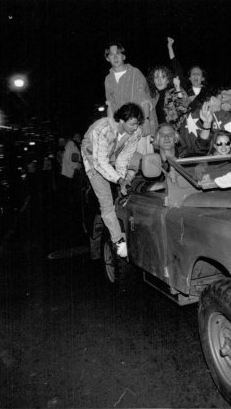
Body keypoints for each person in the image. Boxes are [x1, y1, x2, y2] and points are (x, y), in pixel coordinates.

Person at [81, 103, 143, 258]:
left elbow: (123, 158)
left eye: (137, 124)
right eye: (132, 124)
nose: (136, 128)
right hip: (92, 157)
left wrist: (121, 179)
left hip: (112, 153)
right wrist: (118, 179)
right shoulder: (102, 129)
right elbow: (100, 162)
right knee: (106, 201)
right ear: (121, 120)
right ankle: (118, 241)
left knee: (123, 188)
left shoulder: (136, 133)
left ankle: (125, 227)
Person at [104, 42, 156, 155]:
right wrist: (112, 128)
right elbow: (110, 105)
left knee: (143, 162)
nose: (115, 57)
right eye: (111, 55)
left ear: (124, 56)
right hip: (121, 128)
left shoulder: (135, 73)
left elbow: (145, 100)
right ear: (107, 58)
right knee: (124, 165)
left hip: (139, 126)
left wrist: (146, 120)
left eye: (118, 53)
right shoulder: (108, 79)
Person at [147, 64, 191, 132]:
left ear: (168, 80)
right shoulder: (152, 97)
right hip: (159, 136)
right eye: (156, 77)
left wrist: (178, 89)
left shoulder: (173, 92)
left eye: (163, 77)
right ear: (153, 80)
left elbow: (185, 109)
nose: (159, 80)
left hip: (176, 135)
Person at [167, 37, 207, 102]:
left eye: (198, 74)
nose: (195, 76)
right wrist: (170, 47)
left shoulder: (207, 92)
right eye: (193, 74)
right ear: (189, 78)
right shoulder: (185, 90)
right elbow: (176, 67)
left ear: (203, 78)